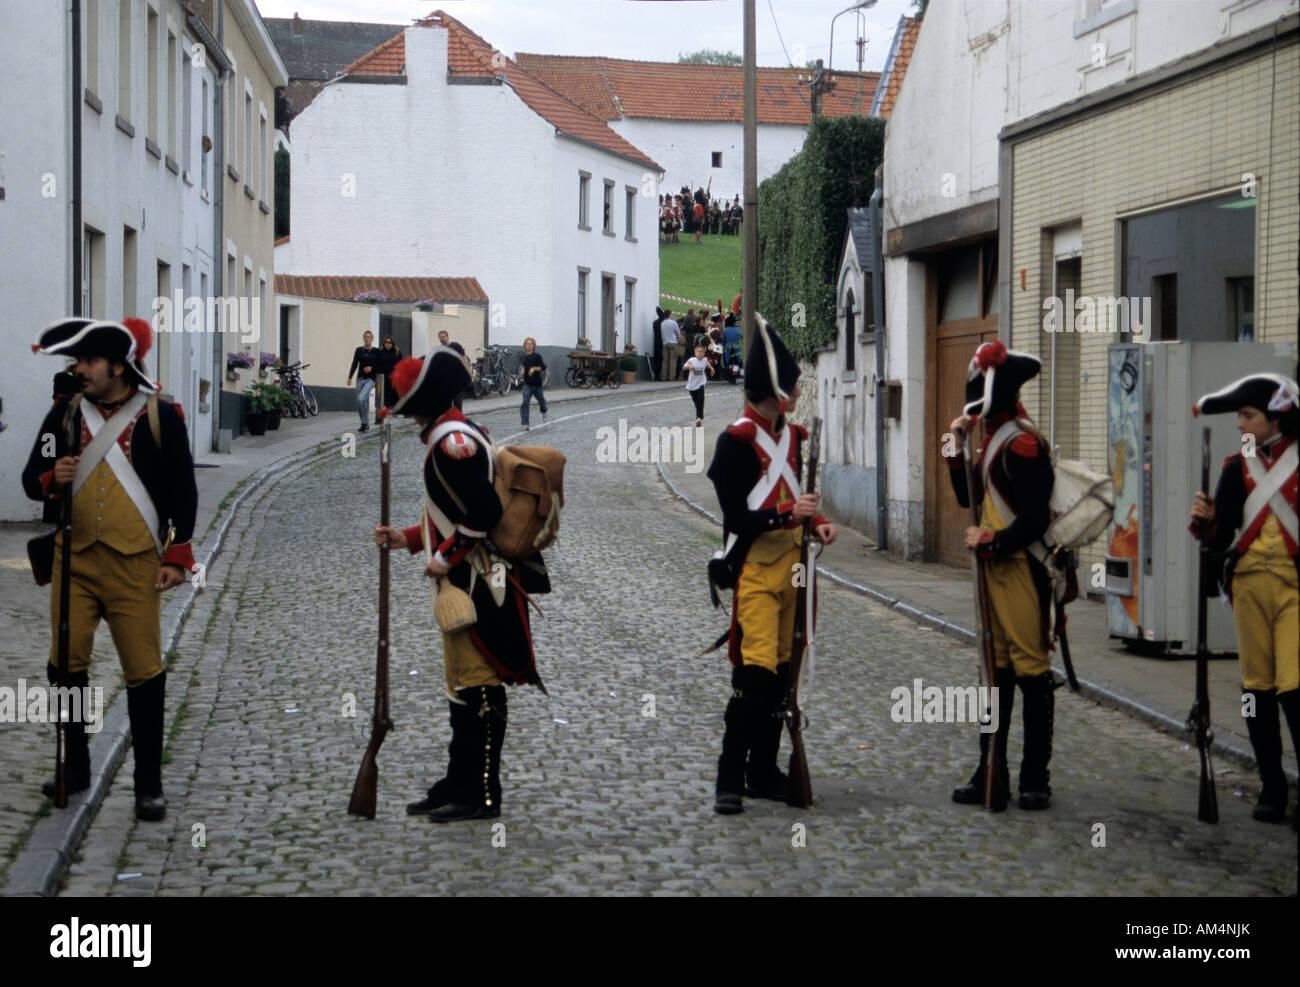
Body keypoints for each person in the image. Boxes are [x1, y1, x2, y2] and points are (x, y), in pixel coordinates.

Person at [22, 317, 197, 821]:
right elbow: (32, 476)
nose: (79, 370)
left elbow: (184, 493)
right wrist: (51, 476)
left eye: (89, 362)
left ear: (119, 366)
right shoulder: (64, 415)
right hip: (73, 560)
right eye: (76, 362)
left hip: (135, 564)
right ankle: (75, 766)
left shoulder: (162, 417)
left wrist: (178, 556)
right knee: (65, 665)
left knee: (144, 672)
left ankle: (148, 784)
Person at [373, 347, 549, 822]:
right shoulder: (450, 437)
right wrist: (408, 539)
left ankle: (483, 793)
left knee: (480, 683)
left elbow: (483, 514)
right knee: (460, 685)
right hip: (466, 576)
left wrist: (443, 557)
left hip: (477, 579)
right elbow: (447, 514)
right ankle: (459, 781)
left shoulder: (453, 444)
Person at [707, 318, 837, 815]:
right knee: (755, 676)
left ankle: (763, 771)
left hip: (794, 569)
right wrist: (789, 514)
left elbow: (793, 496)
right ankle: (729, 778)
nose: (800, 391)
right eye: (794, 384)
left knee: (782, 675)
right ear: (777, 392)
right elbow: (737, 516)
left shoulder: (795, 436)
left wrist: (818, 520)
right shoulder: (735, 443)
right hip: (756, 571)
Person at [944, 340, 1055, 812]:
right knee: (997, 674)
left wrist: (992, 542)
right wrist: (955, 445)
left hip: (1022, 569)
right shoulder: (994, 440)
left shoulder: (1023, 444)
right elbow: (967, 499)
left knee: (1031, 673)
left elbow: (1035, 520)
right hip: (996, 572)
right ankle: (992, 770)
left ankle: (1035, 778)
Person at [1190, 373, 1300, 825]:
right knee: (1257, 690)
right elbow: (1222, 534)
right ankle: (1272, 787)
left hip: (1295, 589)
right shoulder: (1237, 467)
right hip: (1250, 587)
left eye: (1248, 415)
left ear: (1275, 417)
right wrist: (1207, 520)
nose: (1240, 424)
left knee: (1295, 690)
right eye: (1238, 415)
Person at [346, 330, 381, 432]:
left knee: (362, 398)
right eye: (366, 337)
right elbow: (354, 364)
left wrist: (372, 368)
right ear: (363, 338)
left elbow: (380, 365)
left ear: (372, 339)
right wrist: (350, 377)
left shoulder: (376, 351)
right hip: (360, 378)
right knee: (360, 402)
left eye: (369, 337)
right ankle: (364, 423)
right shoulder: (359, 350)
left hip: (371, 379)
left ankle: (366, 421)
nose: (367, 339)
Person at [519, 336, 548, 430]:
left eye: (531, 344)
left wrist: (533, 368)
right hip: (527, 384)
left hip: (537, 384)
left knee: (541, 401)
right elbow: (523, 365)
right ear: (524, 345)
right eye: (527, 344)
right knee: (525, 402)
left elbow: (543, 367)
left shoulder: (537, 356)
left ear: (534, 346)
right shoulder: (523, 357)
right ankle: (525, 424)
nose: (528, 345)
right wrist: (523, 370)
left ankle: (544, 411)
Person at [683, 342, 714, 426]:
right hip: (692, 385)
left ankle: (698, 418)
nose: (700, 353)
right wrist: (689, 367)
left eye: (701, 352)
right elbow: (684, 367)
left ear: (704, 353)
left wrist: (711, 368)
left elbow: (707, 365)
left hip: (701, 382)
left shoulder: (705, 360)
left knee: (701, 399)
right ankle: (699, 414)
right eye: (698, 351)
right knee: (696, 402)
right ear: (695, 353)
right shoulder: (692, 360)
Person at [376, 335, 402, 409]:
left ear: (392, 344)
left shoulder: (397, 351)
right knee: (384, 392)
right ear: (383, 343)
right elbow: (377, 363)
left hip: (394, 376)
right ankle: (384, 407)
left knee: (394, 393)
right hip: (383, 376)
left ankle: (394, 407)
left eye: (390, 343)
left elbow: (400, 363)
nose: (388, 344)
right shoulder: (380, 351)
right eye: (386, 342)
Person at [660, 312, 681, 382]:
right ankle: (671, 377)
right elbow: (678, 333)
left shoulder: (662, 323)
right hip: (673, 342)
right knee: (673, 360)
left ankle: (663, 377)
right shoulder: (673, 322)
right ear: (669, 315)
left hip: (665, 343)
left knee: (665, 361)